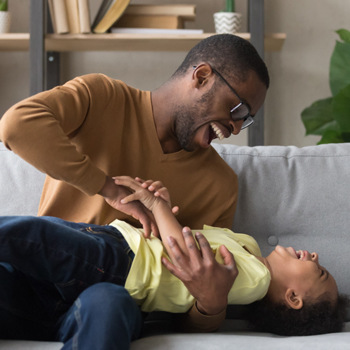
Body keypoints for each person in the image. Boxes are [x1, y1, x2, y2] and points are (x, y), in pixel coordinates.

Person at [0, 34, 269, 347]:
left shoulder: (220, 184)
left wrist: (210, 304)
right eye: (238, 110)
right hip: (29, 278)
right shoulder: (101, 96)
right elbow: (17, 126)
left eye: (246, 120)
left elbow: (178, 306)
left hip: (108, 301)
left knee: (110, 304)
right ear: (202, 77)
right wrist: (106, 187)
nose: (236, 129)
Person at [0, 177, 347, 345]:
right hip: (108, 245)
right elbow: (184, 239)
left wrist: (157, 207)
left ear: (293, 298)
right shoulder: (247, 247)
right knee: (35, 236)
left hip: (120, 267)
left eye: (318, 270)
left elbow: (182, 253)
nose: (314, 255)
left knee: (31, 235)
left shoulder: (254, 277)